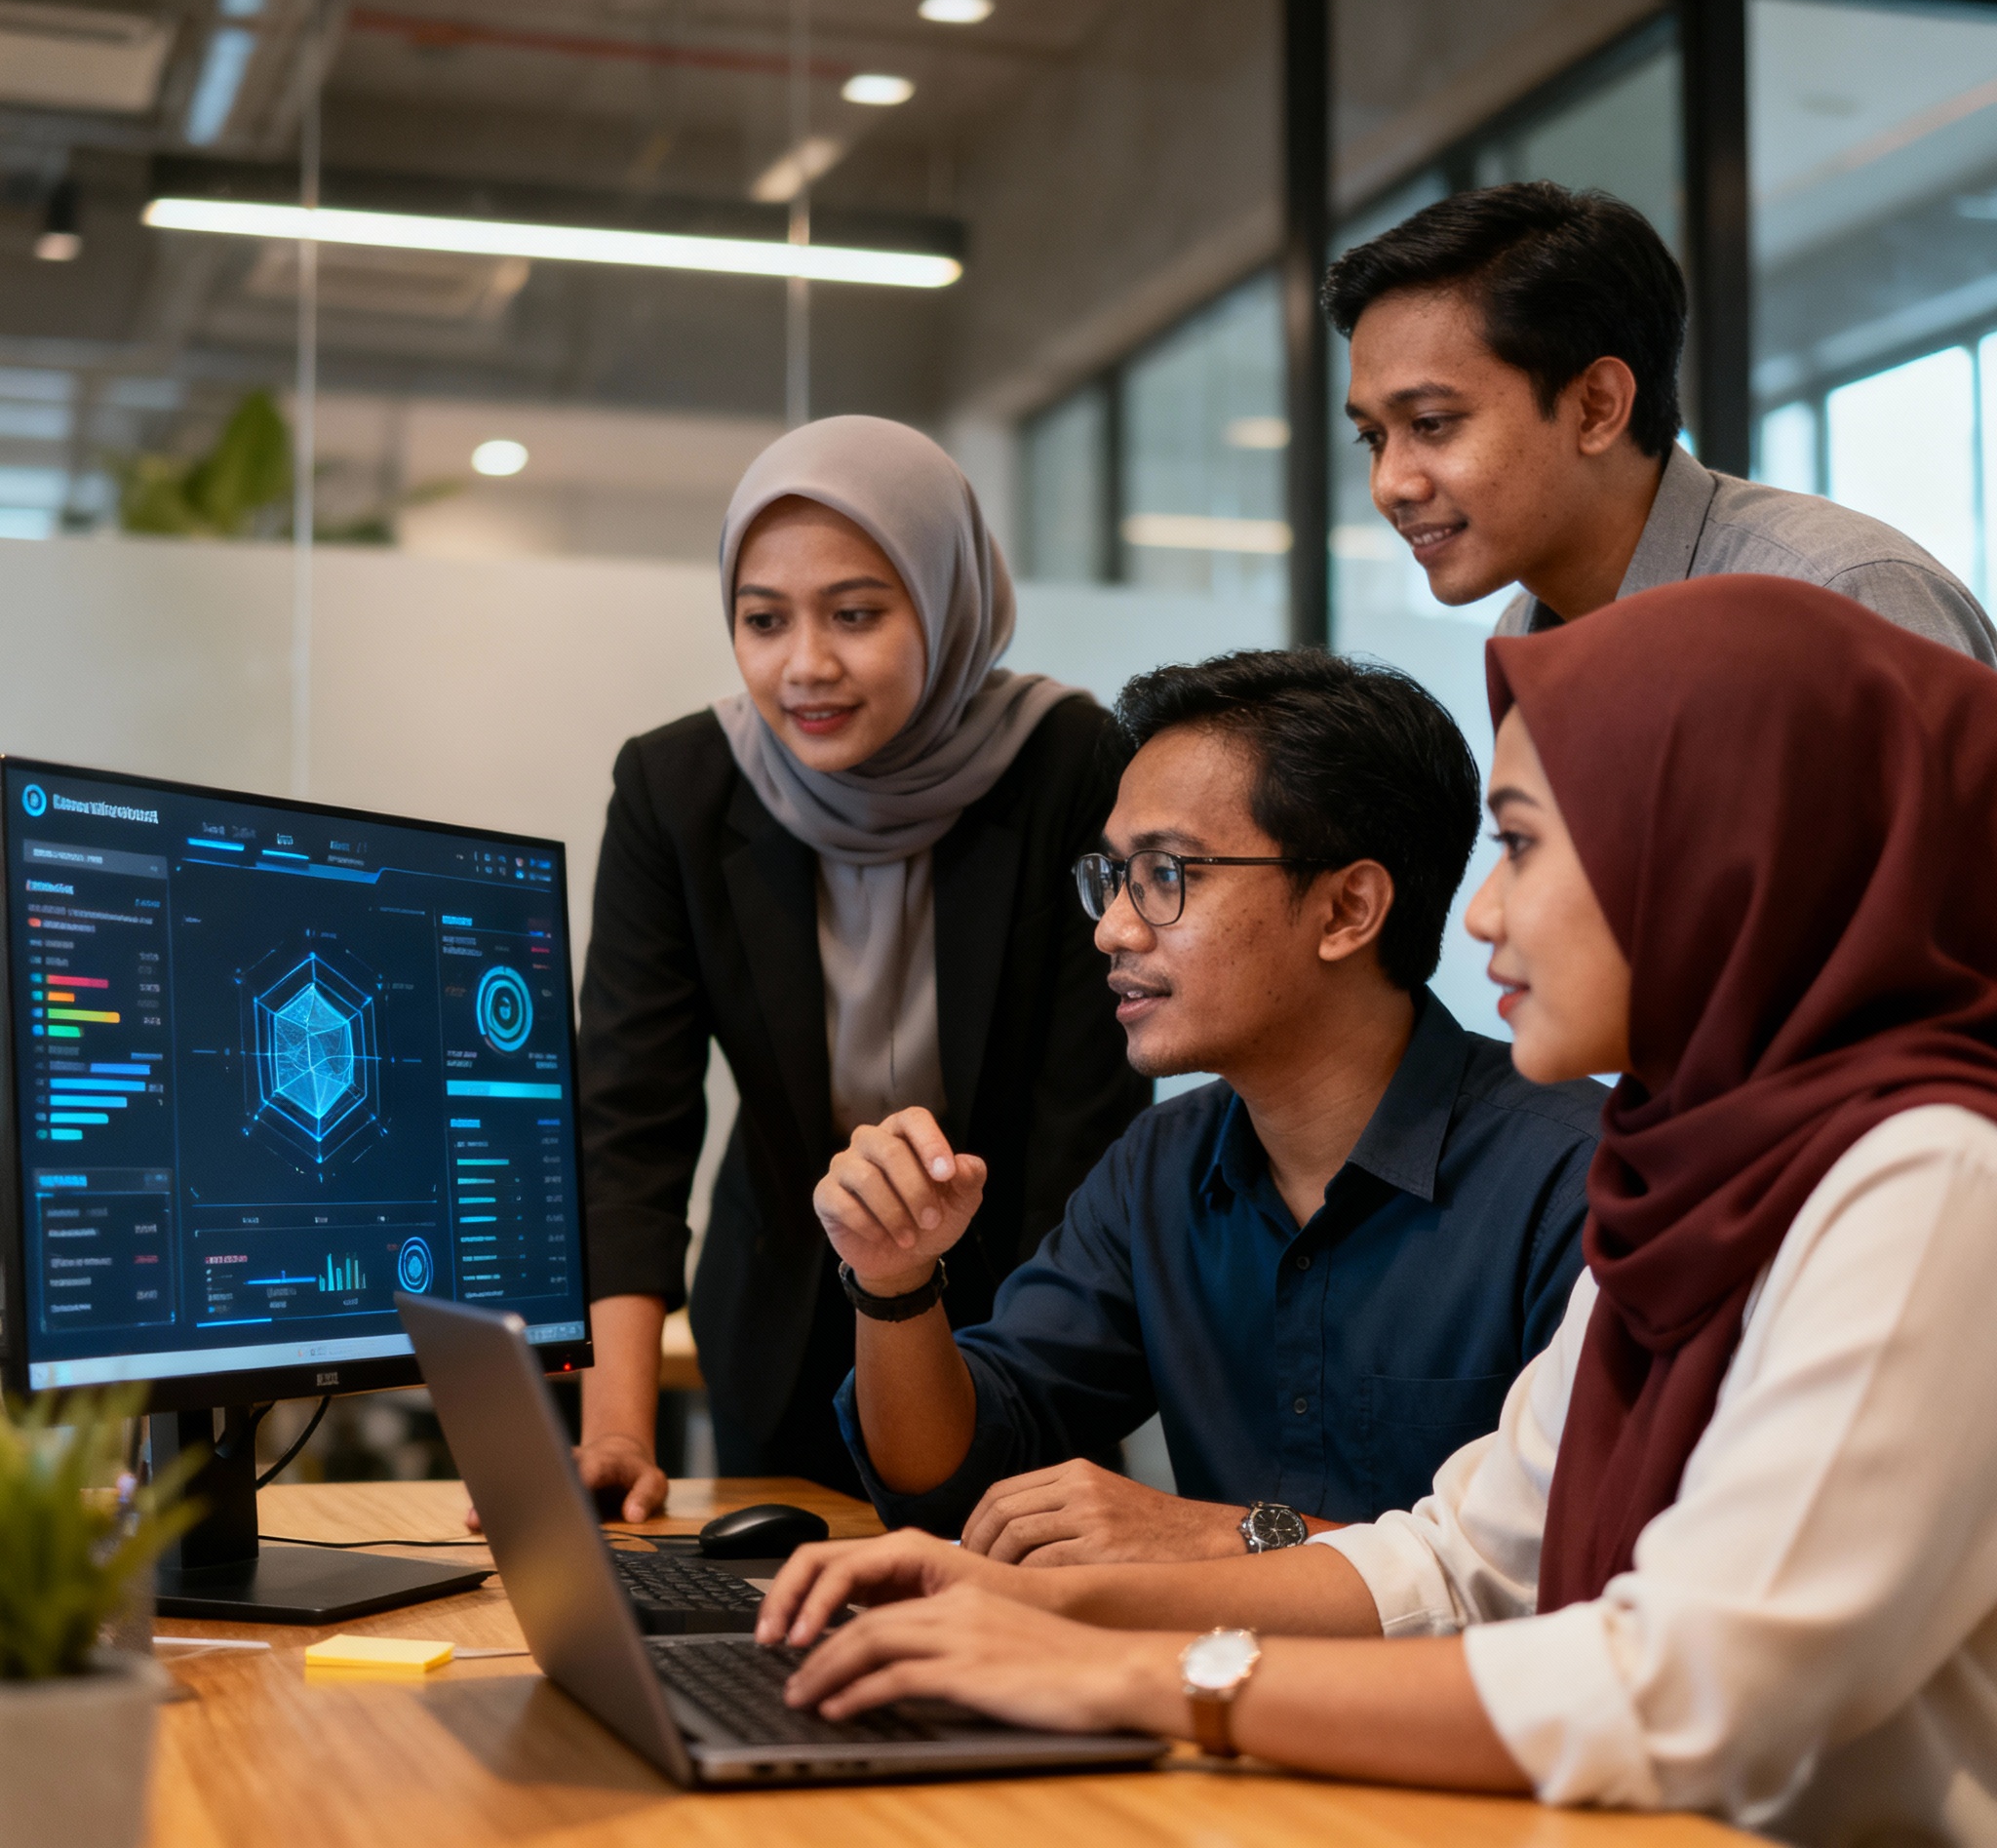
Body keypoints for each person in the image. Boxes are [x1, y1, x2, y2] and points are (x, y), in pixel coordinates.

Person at [755, 576, 1997, 1846]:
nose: (1482, 911)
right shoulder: (1691, 1168)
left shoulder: (1931, 1177)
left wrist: (1137, 1675)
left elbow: (1680, 1685)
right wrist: (1043, 1611)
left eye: (1520, 847)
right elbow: (1463, 1560)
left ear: (1719, 849)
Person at [815, 648, 1603, 1561]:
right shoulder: (1162, 1167)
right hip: (1201, 1692)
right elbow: (946, 1480)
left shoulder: (1573, 1179)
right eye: (1112, 878)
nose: (1113, 927)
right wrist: (895, 1281)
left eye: (1166, 875)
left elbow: (1573, 1572)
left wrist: (1242, 1537)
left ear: (1348, 909)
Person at [571, 415, 1149, 1511]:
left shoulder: (1070, 762)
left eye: (856, 613)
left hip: (1023, 1322)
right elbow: (626, 1128)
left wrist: (1029, 1369)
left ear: (942, 600)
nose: (805, 665)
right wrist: (617, 1432)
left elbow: (1089, 1113)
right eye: (762, 618)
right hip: (780, 1324)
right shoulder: (677, 786)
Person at [1328, 180, 1997, 664]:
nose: (1391, 486)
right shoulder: (1527, 631)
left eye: (1434, 423)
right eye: (1373, 438)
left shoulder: (1837, 595)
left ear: (1596, 406)